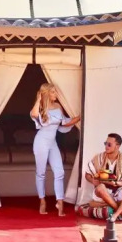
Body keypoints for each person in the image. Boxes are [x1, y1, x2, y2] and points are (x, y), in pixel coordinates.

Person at [30, 83, 81, 216]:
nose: (56, 95)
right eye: (53, 92)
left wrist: (80, 116)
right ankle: (42, 201)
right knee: (41, 173)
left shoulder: (58, 106)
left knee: (59, 172)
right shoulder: (40, 107)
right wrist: (39, 99)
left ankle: (60, 202)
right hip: (41, 142)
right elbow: (34, 114)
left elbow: (65, 122)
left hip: (52, 143)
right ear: (46, 94)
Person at [85, 133, 122, 222]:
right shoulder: (98, 158)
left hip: (118, 191)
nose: (106, 147)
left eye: (109, 144)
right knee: (100, 187)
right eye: (105, 143)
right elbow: (87, 175)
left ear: (117, 146)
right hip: (102, 193)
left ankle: (115, 214)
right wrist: (92, 181)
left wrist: (117, 183)